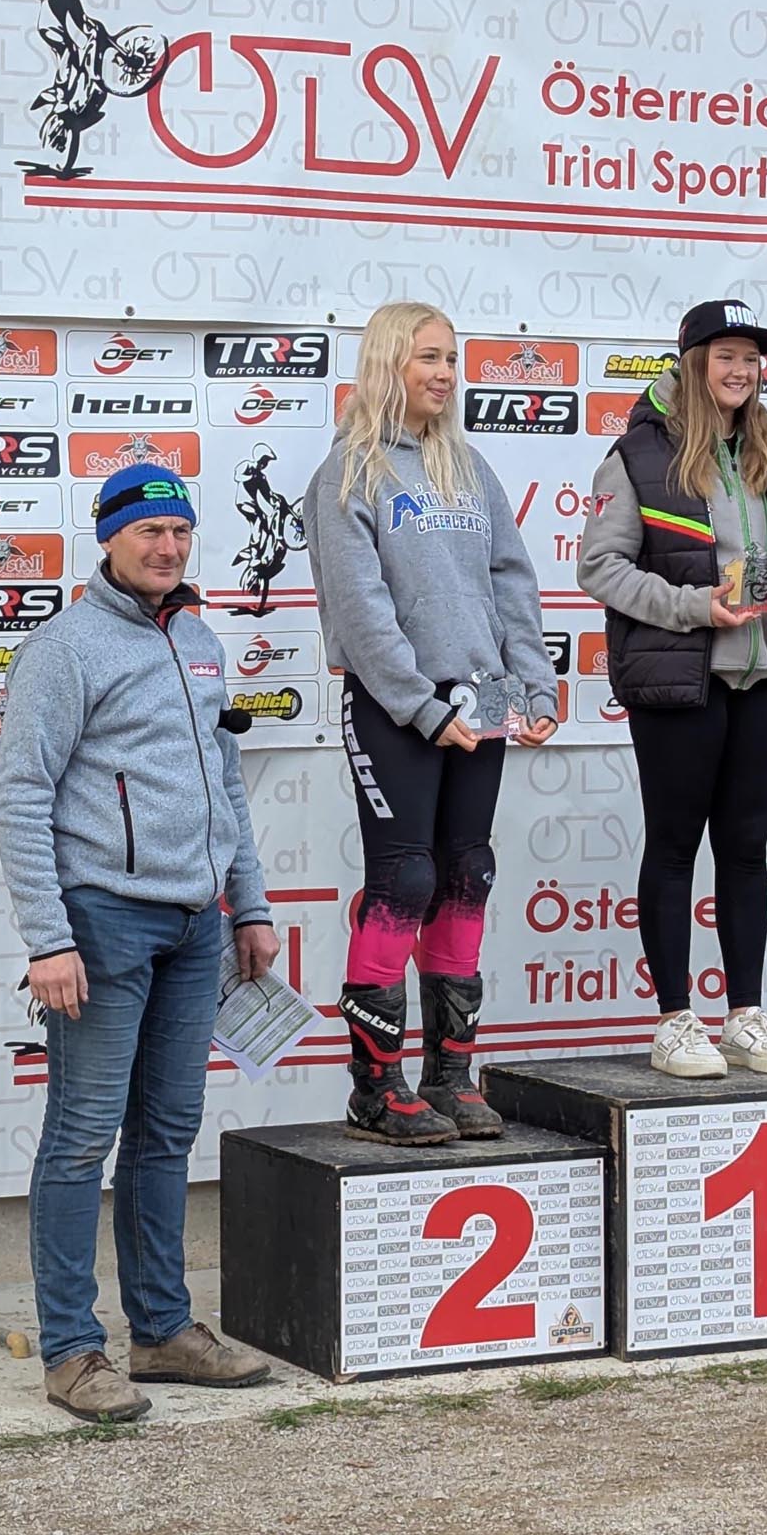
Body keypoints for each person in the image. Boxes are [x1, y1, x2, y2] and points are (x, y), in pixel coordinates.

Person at [0, 463, 277, 1423]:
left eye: (180, 531)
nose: (168, 547)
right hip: (102, 922)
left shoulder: (198, 639)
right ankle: (73, 1353)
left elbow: (226, 785)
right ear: (108, 537)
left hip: (196, 925)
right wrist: (48, 939)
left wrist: (248, 906)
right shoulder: (64, 648)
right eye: (149, 530)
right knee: (81, 1137)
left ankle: (159, 1331)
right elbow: (20, 797)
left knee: (166, 1134)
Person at [304, 302, 559, 1143]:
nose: (445, 373)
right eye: (428, 358)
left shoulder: (469, 468)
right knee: (405, 881)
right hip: (397, 704)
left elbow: (512, 581)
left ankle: (451, 1078)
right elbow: (360, 608)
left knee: (467, 874)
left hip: (480, 698)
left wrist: (532, 687)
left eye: (452, 358)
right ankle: (376, 1089)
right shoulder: (349, 472)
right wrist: (421, 706)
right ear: (389, 364)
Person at [576, 299, 767, 1078]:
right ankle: (675, 1020)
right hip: (682, 681)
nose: (742, 370)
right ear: (693, 363)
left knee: (745, 850)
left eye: (752, 357)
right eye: (726, 356)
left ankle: (745, 1016)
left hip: (764, 676)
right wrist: (693, 606)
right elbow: (599, 567)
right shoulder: (638, 454)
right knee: (675, 848)